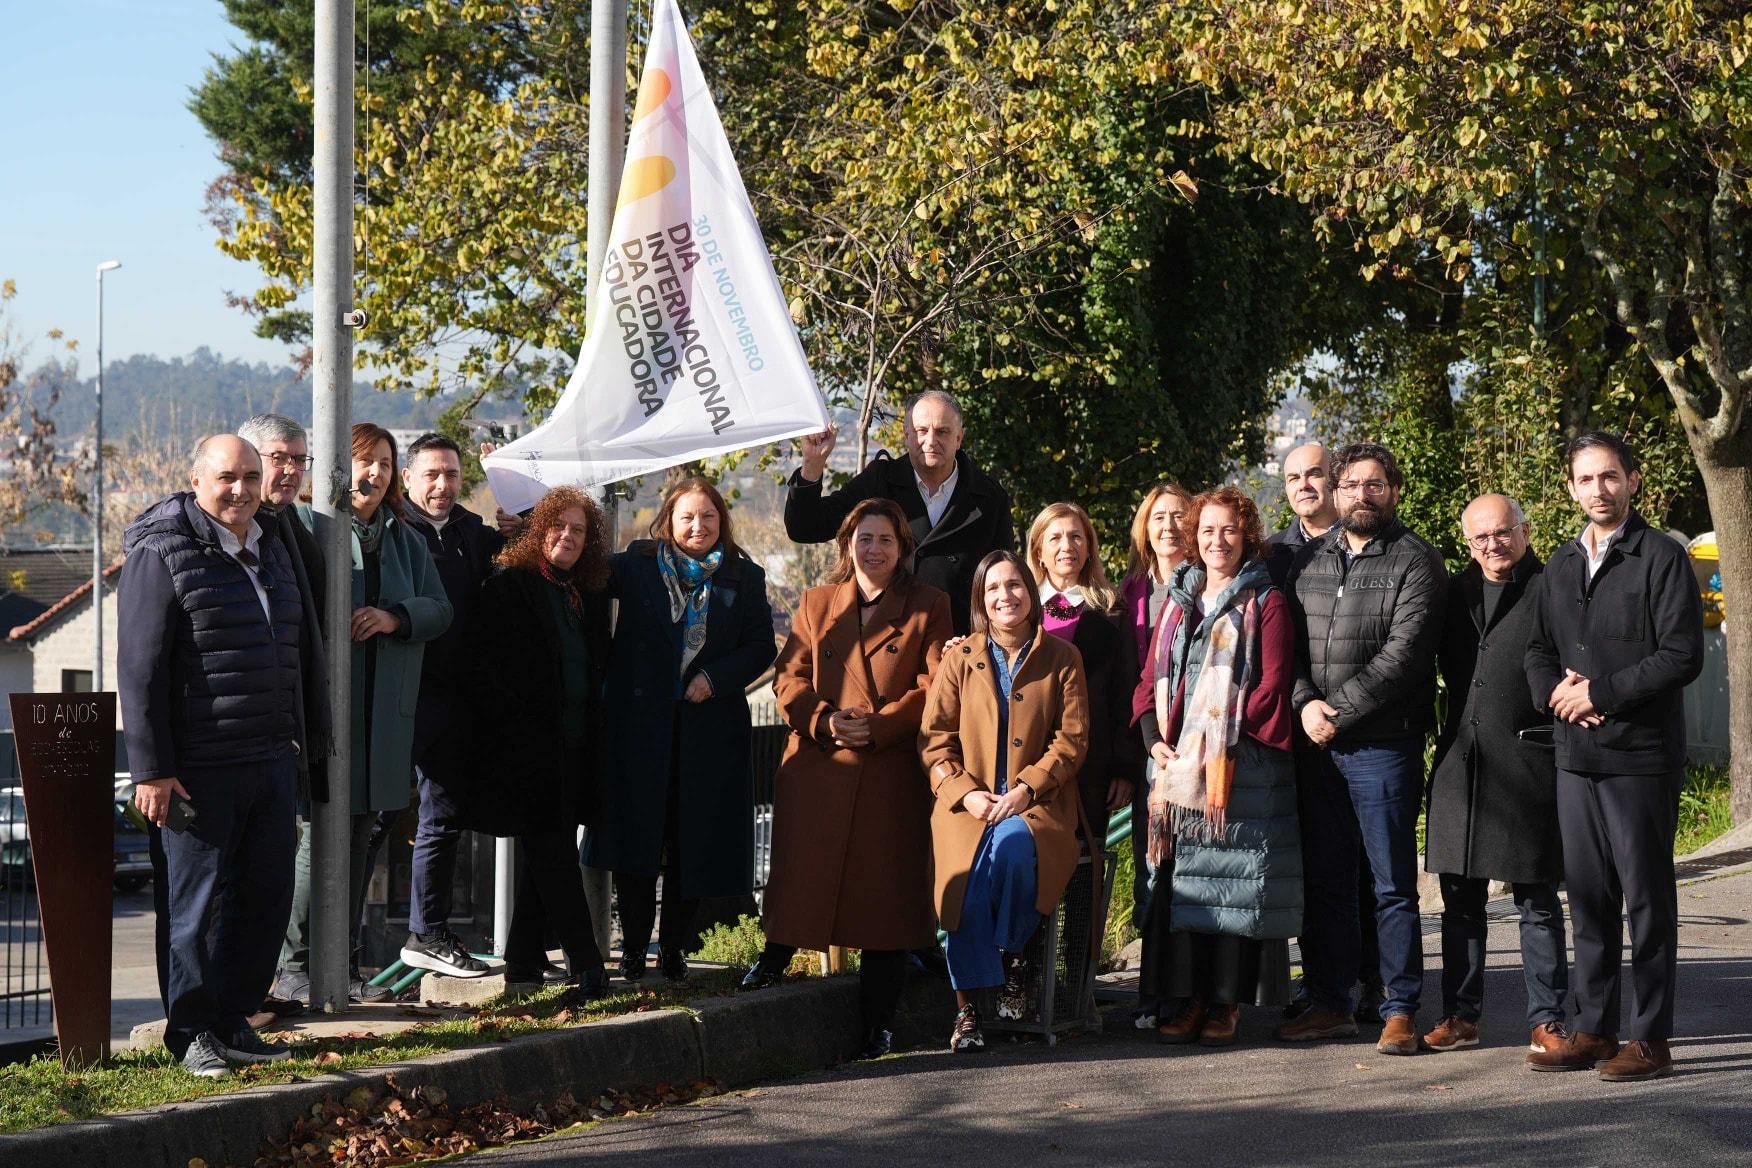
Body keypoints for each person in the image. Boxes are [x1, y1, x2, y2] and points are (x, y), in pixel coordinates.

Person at [740, 499, 953, 1059]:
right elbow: (789, 679)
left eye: (885, 539)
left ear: (903, 548)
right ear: (846, 546)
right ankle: (774, 958)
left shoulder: (930, 605)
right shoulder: (815, 603)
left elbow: (936, 687)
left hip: (889, 769)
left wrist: (879, 726)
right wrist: (825, 720)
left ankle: (878, 1022)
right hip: (819, 762)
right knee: (802, 874)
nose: (874, 549)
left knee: (884, 903)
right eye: (864, 539)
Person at [119, 435, 304, 1077]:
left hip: (270, 756)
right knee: (191, 909)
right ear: (196, 480)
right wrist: (151, 771)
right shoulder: (160, 550)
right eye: (228, 477)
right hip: (196, 768)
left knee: (262, 899)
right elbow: (139, 670)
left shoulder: (271, 543)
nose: (243, 489)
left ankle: (233, 1019)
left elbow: (292, 653)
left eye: (252, 476)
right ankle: (190, 1031)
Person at [1525, 432, 1704, 1081]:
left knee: (1646, 901)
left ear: (1632, 481)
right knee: (1591, 899)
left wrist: (1600, 693)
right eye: (1586, 479)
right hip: (1576, 757)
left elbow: (1682, 655)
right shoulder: (1561, 565)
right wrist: (1557, 695)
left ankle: (1651, 1038)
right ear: (1571, 488)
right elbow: (1537, 651)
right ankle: (1596, 1029)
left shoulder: (1661, 558)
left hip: (1640, 759)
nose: (1598, 489)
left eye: (1610, 477)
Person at [1276, 441, 1445, 1056]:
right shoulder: (1308, 560)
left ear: (1393, 491)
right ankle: (1330, 1001)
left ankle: (1398, 1006)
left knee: (1390, 883)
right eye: (1352, 486)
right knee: (1325, 879)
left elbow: (1404, 655)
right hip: (1317, 743)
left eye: (1375, 485)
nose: (1362, 496)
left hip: (1383, 747)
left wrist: (1336, 713)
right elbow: (1285, 647)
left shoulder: (1417, 561)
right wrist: (1304, 704)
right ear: (1337, 491)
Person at [586, 476, 777, 982]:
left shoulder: (744, 576)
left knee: (694, 841)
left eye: (708, 517)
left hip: (708, 733)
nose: (698, 526)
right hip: (639, 730)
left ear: (723, 521)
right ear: (668, 519)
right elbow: (581, 576)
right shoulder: (637, 565)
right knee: (636, 842)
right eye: (687, 517)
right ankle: (632, 949)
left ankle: (673, 949)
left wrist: (714, 680)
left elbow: (761, 647)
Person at [1133, 487, 1301, 1046]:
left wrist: (1213, 740)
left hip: (1238, 769)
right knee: (1188, 889)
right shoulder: (1180, 602)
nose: (1216, 540)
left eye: (1228, 529)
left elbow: (1270, 686)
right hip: (1177, 769)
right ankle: (1190, 999)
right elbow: (1149, 682)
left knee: (1233, 887)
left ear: (1246, 534)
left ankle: (1226, 1004)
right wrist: (1156, 739)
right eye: (1206, 530)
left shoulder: (1265, 601)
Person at [920, 550, 1090, 1052]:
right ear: (980, 600)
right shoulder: (960, 658)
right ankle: (968, 1009)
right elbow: (935, 739)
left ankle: (1014, 958)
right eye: (993, 589)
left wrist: (1025, 789)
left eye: (1014, 585)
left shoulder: (1062, 657)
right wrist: (965, 793)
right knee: (963, 878)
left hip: (1036, 803)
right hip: (965, 804)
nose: (1005, 596)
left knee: (1014, 848)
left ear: (1030, 593)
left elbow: (1072, 739)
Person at [1423, 493, 1568, 1059]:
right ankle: (1460, 1017)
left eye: (1503, 533)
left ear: (1525, 531)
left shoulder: (1551, 588)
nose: (1492, 545)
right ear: (1467, 541)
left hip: (1529, 764)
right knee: (1460, 902)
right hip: (1461, 766)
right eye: (1480, 536)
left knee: (1536, 900)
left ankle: (1548, 1021)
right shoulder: (1453, 594)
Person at [316, 423, 454, 992]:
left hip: (383, 719)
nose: (374, 473)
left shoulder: (404, 538)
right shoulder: (314, 529)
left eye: (384, 463)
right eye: (363, 462)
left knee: (361, 838)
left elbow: (440, 609)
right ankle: (306, 968)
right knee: (320, 844)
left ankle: (343, 965)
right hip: (332, 713)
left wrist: (395, 616)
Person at [464, 486, 614, 999]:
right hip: (525, 752)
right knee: (553, 852)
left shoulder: (585, 594)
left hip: (575, 748)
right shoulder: (510, 586)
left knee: (546, 854)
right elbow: (481, 670)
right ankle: (588, 967)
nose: (567, 537)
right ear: (538, 529)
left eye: (578, 531)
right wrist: (513, 723)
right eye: (559, 526)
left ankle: (524, 961)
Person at [1268, 441, 1383, 1023]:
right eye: (1293, 477)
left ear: (1334, 482)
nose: (1304, 485)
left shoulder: (1369, 544)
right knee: (1320, 868)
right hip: (1298, 735)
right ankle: (1324, 987)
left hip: (1366, 730)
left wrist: (1337, 709)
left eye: (1314, 473)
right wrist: (1304, 704)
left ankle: (1376, 981)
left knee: (1370, 867)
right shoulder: (1274, 556)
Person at [394, 434, 504, 979]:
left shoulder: (473, 534)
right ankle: (324, 956)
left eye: (452, 475)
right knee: (373, 821)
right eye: (431, 474)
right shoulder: (391, 531)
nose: (442, 486)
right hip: (400, 697)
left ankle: (428, 931)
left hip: (456, 702)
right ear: (408, 477)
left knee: (444, 819)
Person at [229, 415, 328, 1016]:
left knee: (278, 866)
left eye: (299, 459)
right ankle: (243, 996)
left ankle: (262, 987)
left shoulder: (290, 526)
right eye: (278, 458)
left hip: (287, 725)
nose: (289, 470)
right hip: (242, 734)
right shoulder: (238, 531)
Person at [784, 390, 1013, 634]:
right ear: (906, 435)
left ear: (959, 437)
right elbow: (806, 527)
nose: (931, 440)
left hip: (958, 642)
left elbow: (1003, 575)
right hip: (887, 639)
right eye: (921, 431)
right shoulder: (879, 481)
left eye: (943, 431)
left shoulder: (989, 496)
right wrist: (812, 465)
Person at [1117, 482, 1191, 1027]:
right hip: (1150, 746)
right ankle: (1153, 988)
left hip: (1200, 741)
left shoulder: (1205, 582)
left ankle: (1190, 989)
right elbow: (1128, 678)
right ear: (1145, 527)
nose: (1167, 526)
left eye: (1177, 516)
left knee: (1197, 868)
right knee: (1153, 867)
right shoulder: (1133, 591)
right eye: (1158, 517)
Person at [1026, 502, 1137, 846]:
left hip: (1091, 767)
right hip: (1025, 762)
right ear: (1039, 551)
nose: (1067, 546)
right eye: (1055, 537)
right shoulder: (1015, 608)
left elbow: (1124, 692)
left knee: (1082, 878)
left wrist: (1123, 767)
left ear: (1089, 549)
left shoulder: (1112, 612)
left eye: (1076, 537)